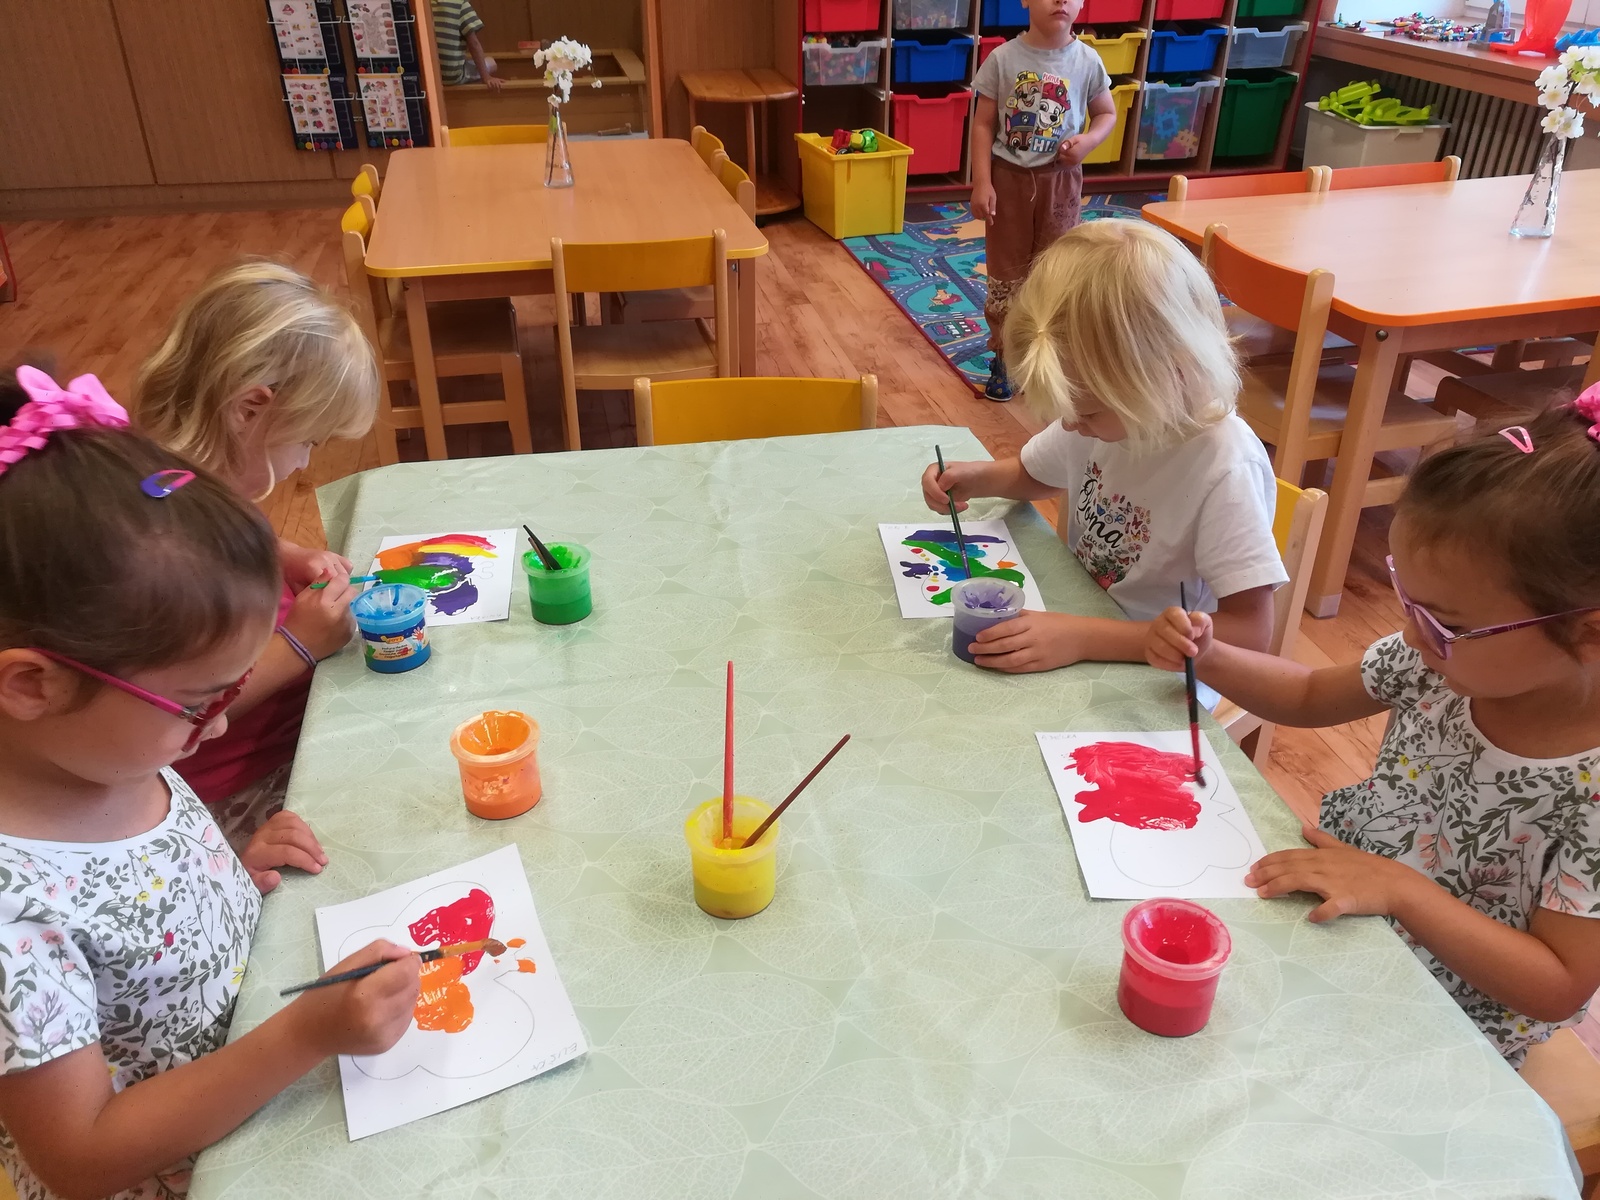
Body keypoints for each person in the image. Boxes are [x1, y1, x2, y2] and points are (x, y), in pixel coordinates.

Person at [0, 366, 420, 1200]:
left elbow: (134, 907)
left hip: (255, 1079)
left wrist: (229, 868)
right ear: (31, 685)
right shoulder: (14, 911)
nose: (220, 727)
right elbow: (79, 1157)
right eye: (198, 703)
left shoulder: (110, 751)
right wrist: (303, 1035)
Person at [1146, 397, 1600, 1068]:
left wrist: (1401, 890)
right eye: (1405, 599)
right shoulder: (1438, 661)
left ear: (1589, 634)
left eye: (1444, 622)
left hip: (1443, 1018)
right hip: (1344, 906)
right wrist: (1210, 655)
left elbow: (1557, 984)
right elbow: (1306, 694)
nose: (1413, 634)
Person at [924, 219, 1284, 679]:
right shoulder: (1104, 421)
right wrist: (974, 477)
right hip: (1079, 622)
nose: (1071, 425)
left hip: (1164, 675)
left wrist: (1084, 638)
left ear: (1168, 375)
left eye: (1088, 412)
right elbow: (1035, 474)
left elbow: (1250, 634)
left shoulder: (1225, 467)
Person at [134, 261, 378, 843]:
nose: (305, 461)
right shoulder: (162, 549)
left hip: (299, 724)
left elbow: (246, 529)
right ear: (249, 408)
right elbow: (184, 711)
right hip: (242, 788)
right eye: (308, 441)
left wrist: (285, 554)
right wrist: (299, 644)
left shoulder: (179, 481)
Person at [970, 0, 1117, 401]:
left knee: (1057, 267)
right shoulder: (1002, 58)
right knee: (1006, 270)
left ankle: (1049, 354)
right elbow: (982, 124)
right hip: (1009, 181)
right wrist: (982, 181)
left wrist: (1087, 142)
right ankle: (1004, 353)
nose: (1060, 1)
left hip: (1061, 183)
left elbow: (1106, 114)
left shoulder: (1087, 60)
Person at [431, 0, 502, 90]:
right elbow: (474, 44)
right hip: (451, 76)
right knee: (491, 62)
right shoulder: (460, 4)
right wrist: (486, 77)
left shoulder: (423, 5)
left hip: (429, 76)